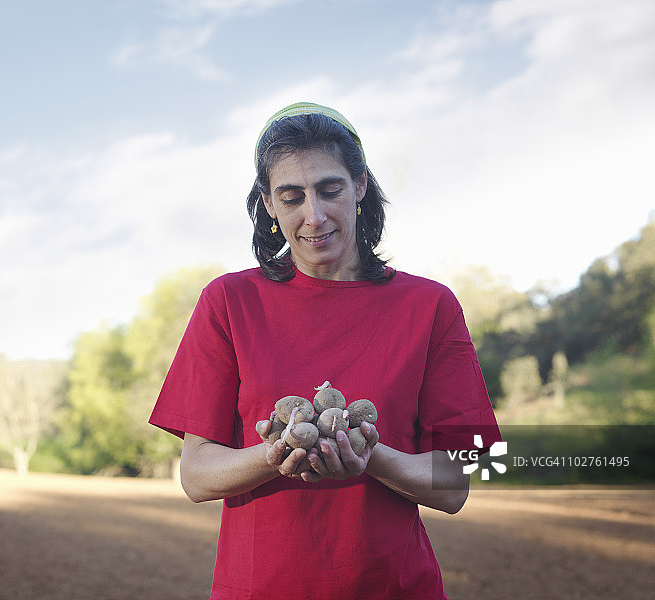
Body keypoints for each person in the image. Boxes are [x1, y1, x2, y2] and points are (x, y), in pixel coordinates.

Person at [149, 102, 501, 599]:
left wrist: (368, 454)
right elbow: (197, 475)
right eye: (290, 197)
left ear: (359, 186)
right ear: (268, 204)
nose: (313, 216)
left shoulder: (430, 306)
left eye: (329, 190)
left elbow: (455, 482)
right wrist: (279, 453)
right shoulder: (228, 302)